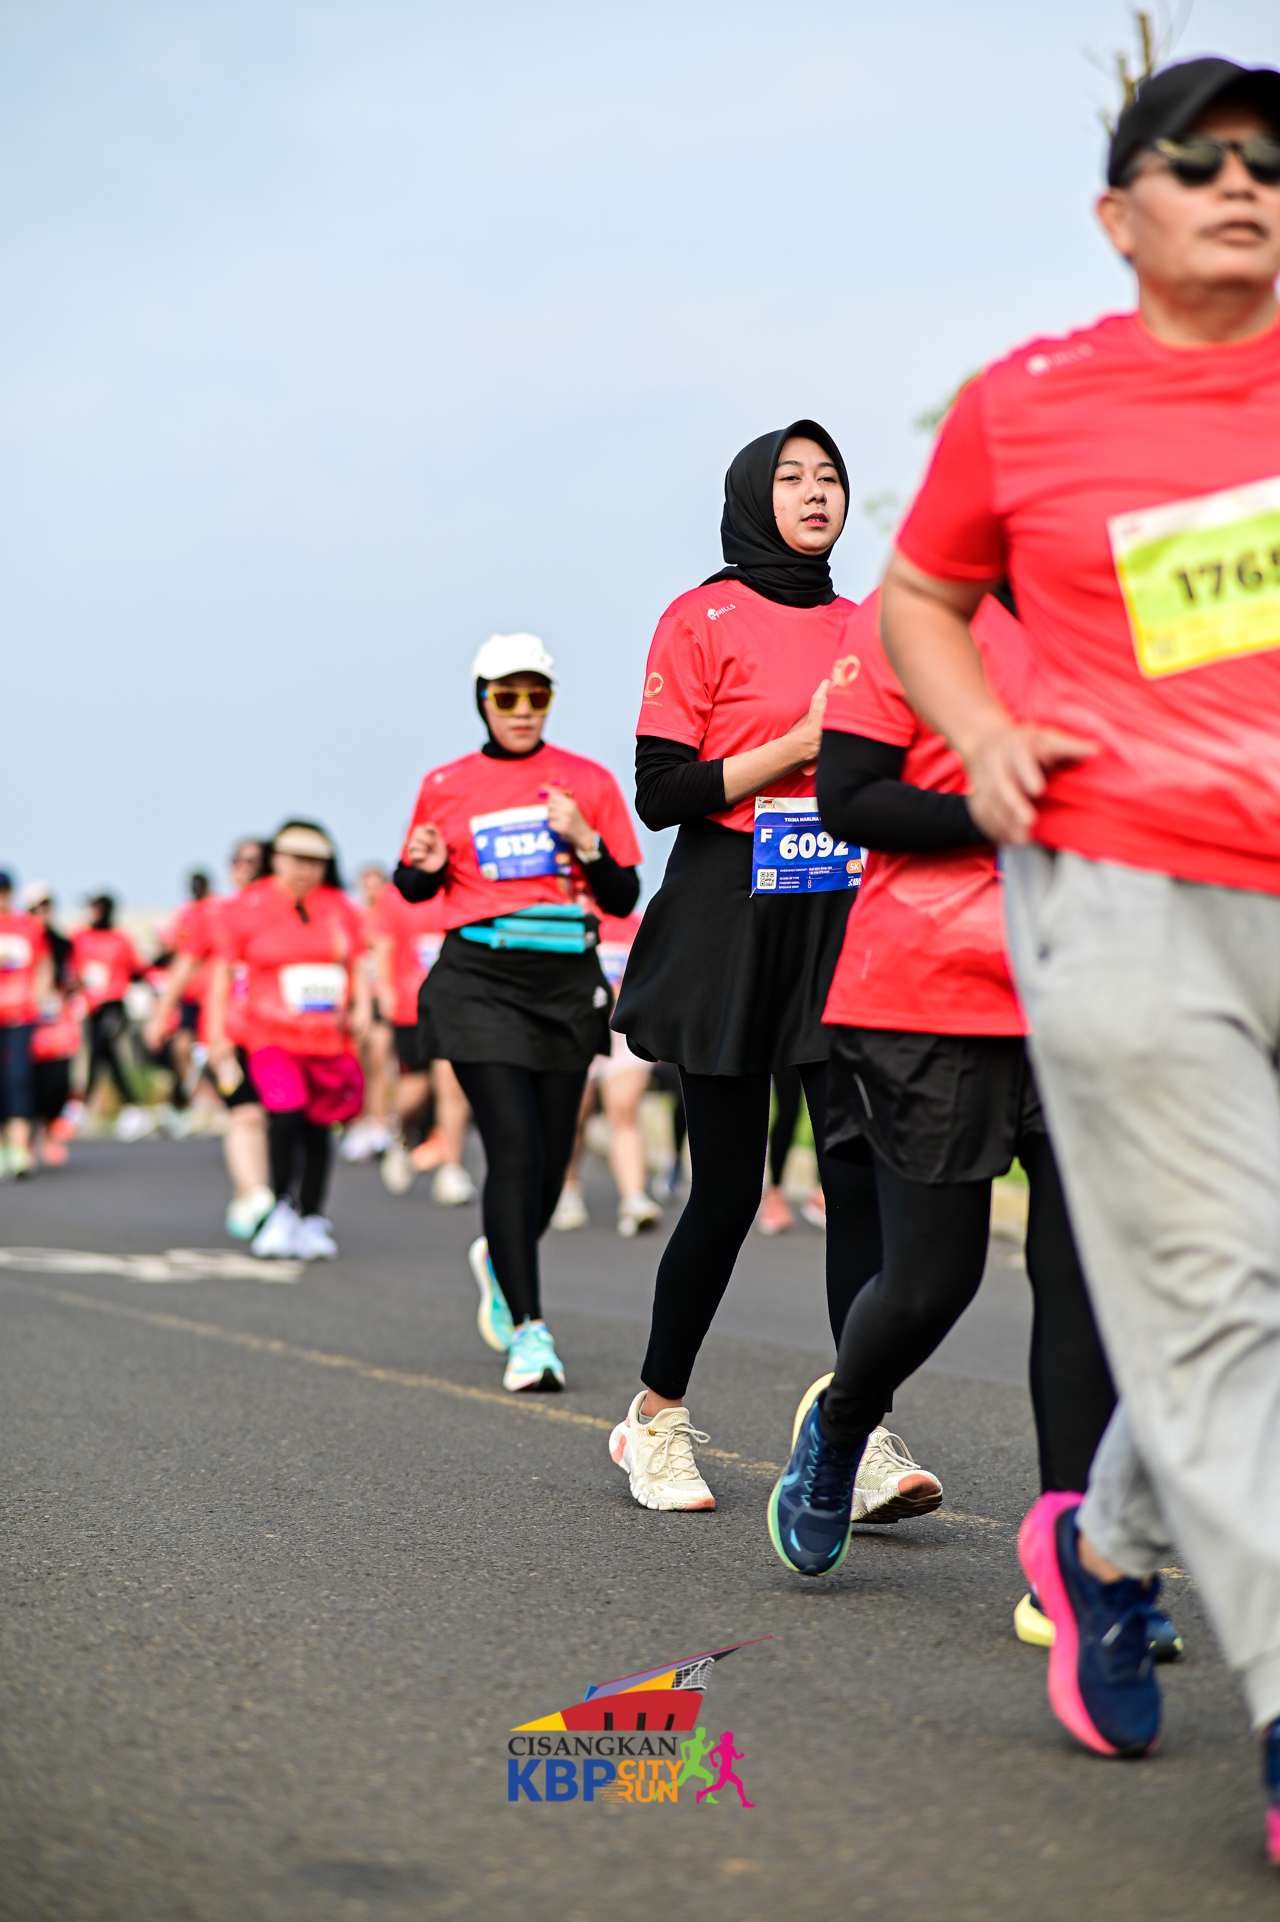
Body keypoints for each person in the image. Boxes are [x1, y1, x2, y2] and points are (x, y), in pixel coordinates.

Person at [869, 58, 1280, 1858]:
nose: (1243, 182)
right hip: (1121, 890)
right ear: (1121, 214)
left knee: (1244, 1310)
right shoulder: (1028, 405)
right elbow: (919, 595)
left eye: (1271, 160)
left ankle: (1106, 1544)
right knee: (1222, 1303)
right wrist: (979, 732)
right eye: (1198, 160)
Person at [766, 590, 1177, 1660]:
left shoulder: (1125, 606)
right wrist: (997, 812)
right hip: (928, 993)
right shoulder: (911, 613)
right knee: (929, 1281)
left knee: (1083, 1278)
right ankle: (842, 1422)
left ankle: (1077, 1564)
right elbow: (848, 798)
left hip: (1087, 987)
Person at [609, 422, 935, 1517]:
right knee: (727, 1190)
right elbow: (661, 792)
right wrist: (796, 745)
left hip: (840, 920)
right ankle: (654, 1416)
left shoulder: (868, 625)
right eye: (791, 476)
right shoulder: (699, 618)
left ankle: (858, 1432)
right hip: (728, 919)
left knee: (856, 1181)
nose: (814, 491)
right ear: (753, 496)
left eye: (829, 476)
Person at [393, 633, 642, 1393]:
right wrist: (418, 867)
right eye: (508, 695)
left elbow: (623, 897)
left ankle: (501, 1258)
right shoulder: (445, 784)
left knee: (552, 1154)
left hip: (563, 979)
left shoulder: (587, 781)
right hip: (478, 977)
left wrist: (586, 841)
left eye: (537, 695)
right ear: (483, 701)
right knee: (514, 1145)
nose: (523, 709)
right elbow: (413, 885)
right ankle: (530, 1332)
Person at [209, 822, 370, 1260]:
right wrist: (217, 1032)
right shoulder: (248, 906)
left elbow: (356, 962)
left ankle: (312, 1215)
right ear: (276, 859)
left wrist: (363, 1007)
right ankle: (281, 1206)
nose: (305, 870)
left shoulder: (340, 907)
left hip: (327, 1038)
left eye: (315, 862)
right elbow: (224, 973)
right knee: (284, 1114)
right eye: (296, 860)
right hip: (271, 1035)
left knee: (319, 1124)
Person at [144, 840, 275, 1238]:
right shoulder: (214, 914)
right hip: (227, 1034)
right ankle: (254, 1194)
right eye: (238, 860)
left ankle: (253, 1194)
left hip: (277, 1033)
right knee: (245, 1113)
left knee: (274, 1120)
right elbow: (186, 964)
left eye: (253, 860)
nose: (244, 867)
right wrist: (161, 1012)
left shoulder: (286, 911)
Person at [550, 911, 664, 1238]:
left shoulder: (638, 924)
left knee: (624, 1110)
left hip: (622, 1032)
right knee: (573, 1116)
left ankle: (633, 1199)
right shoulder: (566, 917)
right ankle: (567, 1190)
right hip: (574, 1029)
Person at [369, 879, 476, 1204]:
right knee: (416, 1089)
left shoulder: (468, 887)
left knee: (452, 1085)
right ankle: (401, 1134)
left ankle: (451, 1169)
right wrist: (384, 989)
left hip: (457, 1006)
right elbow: (384, 944)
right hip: (411, 1006)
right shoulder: (396, 894)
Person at [71, 894, 146, 1126]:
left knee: (100, 1049)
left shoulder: (120, 939)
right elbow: (71, 967)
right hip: (90, 1006)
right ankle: (131, 1106)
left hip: (113, 1004)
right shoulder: (81, 937)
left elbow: (137, 968)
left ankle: (82, 1105)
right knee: (104, 1055)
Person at [22, 883, 81, 1169]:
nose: (41, 913)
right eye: (36, 908)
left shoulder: (62, 943)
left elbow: (71, 976)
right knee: (26, 1081)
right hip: (24, 1021)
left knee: (58, 1081)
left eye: (46, 906)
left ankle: (49, 1133)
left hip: (56, 1023)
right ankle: (26, 1139)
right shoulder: (17, 941)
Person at [341, 864, 397, 1163]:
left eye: (378, 884)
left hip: (380, 1001)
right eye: (368, 884)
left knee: (380, 1062)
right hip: (357, 1000)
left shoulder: (390, 918)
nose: (373, 890)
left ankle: (379, 1121)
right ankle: (360, 1121)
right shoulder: (355, 918)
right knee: (358, 1065)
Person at [0, 871, 52, 1179]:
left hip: (20, 1015)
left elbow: (44, 965)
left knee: (18, 1078)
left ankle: (19, 1147)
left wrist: (39, 997)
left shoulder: (28, 927)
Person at [756, 1066, 825, 1235]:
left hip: (822, 1050)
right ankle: (774, 1193)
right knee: (788, 1108)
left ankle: (821, 1191)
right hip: (786, 1051)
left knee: (823, 1109)